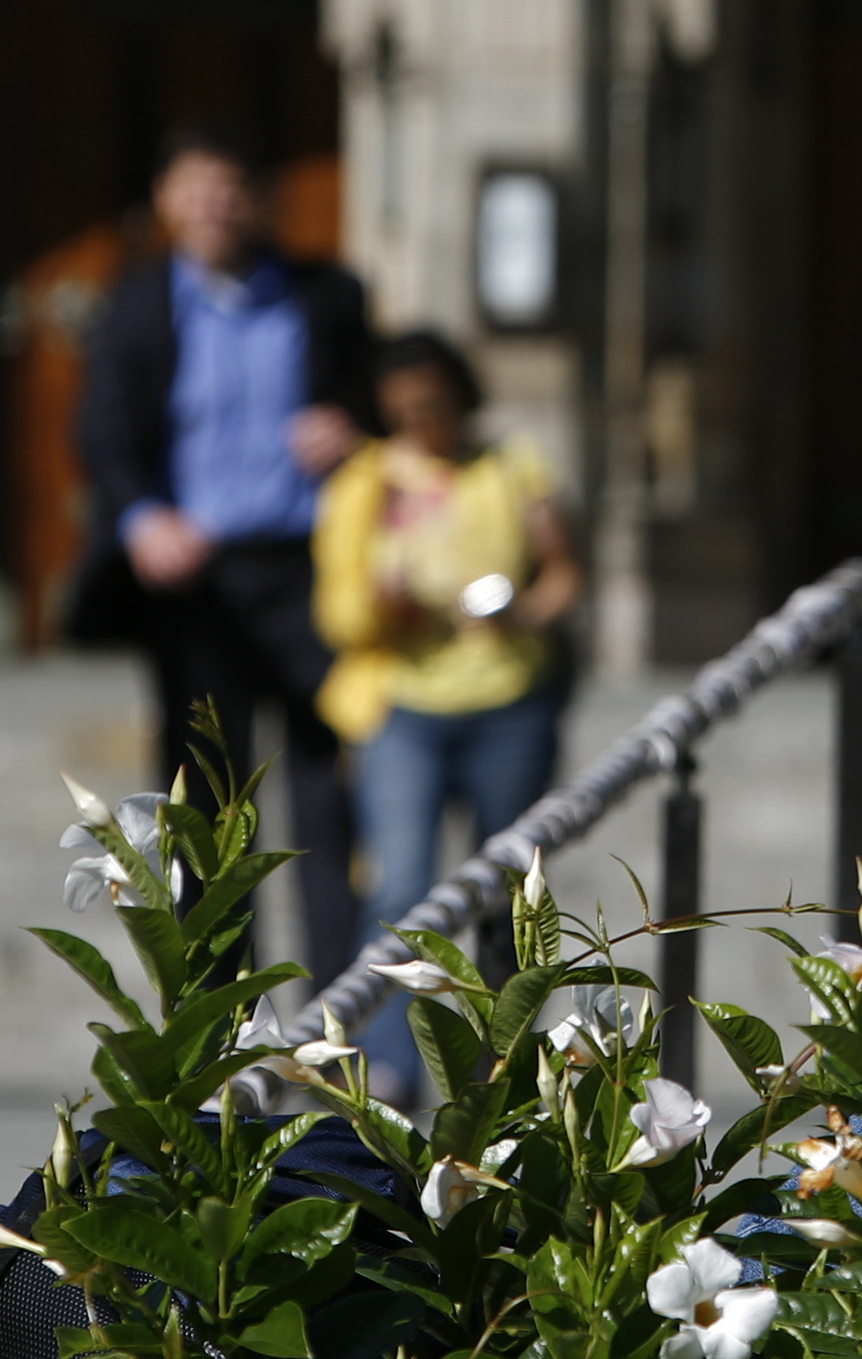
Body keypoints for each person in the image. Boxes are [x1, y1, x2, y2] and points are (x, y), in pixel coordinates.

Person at [72, 126, 373, 974]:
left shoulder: (326, 294)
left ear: (262, 200)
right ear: (166, 200)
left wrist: (353, 427)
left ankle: (333, 1001)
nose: (215, 205)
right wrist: (142, 519)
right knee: (202, 798)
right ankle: (222, 1014)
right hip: (195, 576)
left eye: (233, 186)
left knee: (325, 787)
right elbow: (102, 429)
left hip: (307, 569)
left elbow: (382, 395)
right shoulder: (137, 300)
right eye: (196, 186)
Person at [312, 331, 585, 1088]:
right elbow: (338, 612)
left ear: (461, 400)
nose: (421, 426)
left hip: (510, 704)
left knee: (511, 898)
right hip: (406, 704)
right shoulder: (366, 479)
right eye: (403, 414)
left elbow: (564, 576)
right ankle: (394, 1066)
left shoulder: (513, 467)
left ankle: (507, 1066)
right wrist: (384, 610)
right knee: (400, 891)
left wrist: (518, 616)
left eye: (432, 408)